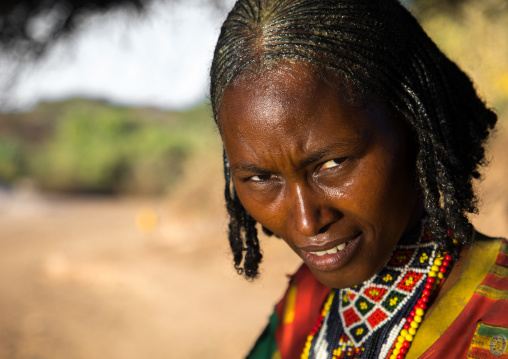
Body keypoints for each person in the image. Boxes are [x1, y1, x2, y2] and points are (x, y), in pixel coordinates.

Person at [209, 0, 507, 358]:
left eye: (333, 163)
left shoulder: (495, 315)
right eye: (260, 177)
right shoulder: (304, 304)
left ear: (413, 125)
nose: (307, 222)